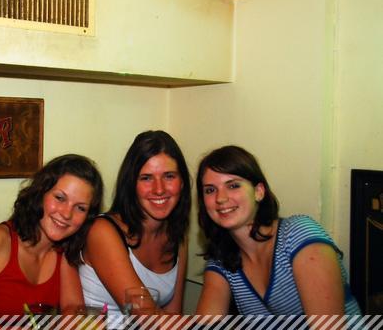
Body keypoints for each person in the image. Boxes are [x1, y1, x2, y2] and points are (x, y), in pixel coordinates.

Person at [195, 145, 361, 315]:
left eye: (233, 186)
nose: (220, 198)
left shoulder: (299, 235)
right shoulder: (222, 260)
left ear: (259, 192)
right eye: (210, 190)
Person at [0, 154, 104, 314]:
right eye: (60, 198)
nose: (67, 214)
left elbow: (72, 309)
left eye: (80, 208)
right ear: (40, 193)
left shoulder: (64, 253)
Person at [79, 130, 190, 315]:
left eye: (169, 176)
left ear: (182, 182)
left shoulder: (179, 237)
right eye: (146, 178)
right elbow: (145, 316)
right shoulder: (102, 231)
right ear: (131, 184)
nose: (159, 189)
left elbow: (173, 316)